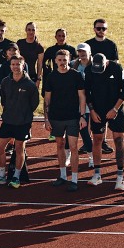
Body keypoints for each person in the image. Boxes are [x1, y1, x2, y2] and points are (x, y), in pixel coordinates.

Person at [44, 49, 87, 192]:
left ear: (69, 60)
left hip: (73, 117)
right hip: (56, 117)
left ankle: (74, 178)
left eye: (65, 59)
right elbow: (47, 99)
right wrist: (46, 119)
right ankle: (62, 176)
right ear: (56, 61)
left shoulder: (76, 76)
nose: (62, 62)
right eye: (60, 60)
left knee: (74, 147)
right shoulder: (51, 77)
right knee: (60, 145)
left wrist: (82, 116)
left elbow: (82, 97)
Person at [85, 53, 124, 190]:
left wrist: (115, 109)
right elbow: (87, 92)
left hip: (115, 109)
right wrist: (92, 111)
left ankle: (120, 176)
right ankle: (97, 174)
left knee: (118, 140)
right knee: (97, 139)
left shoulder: (117, 68)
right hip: (97, 110)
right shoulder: (89, 70)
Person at [0, 56, 40, 189]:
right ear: (10, 66)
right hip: (8, 121)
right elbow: (3, 100)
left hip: (23, 122)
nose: (15, 67)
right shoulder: (5, 82)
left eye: (18, 64)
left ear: (23, 65)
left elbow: (34, 104)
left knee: (19, 148)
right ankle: (1, 175)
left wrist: (23, 114)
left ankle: (16, 176)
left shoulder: (30, 85)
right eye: (13, 64)